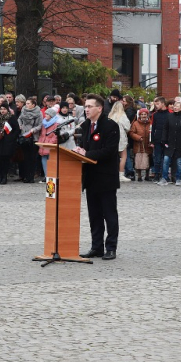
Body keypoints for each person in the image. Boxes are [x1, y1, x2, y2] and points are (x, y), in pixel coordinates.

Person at [74, 94, 120, 260]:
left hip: (106, 177)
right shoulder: (86, 125)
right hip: (90, 177)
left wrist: (87, 153)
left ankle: (111, 248)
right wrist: (79, 151)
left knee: (109, 214)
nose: (86, 109)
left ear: (99, 108)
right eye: (85, 106)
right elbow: (85, 146)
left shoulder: (111, 126)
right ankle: (96, 247)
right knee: (94, 215)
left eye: (89, 106)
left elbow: (109, 151)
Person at [159, 100, 181, 186]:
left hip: (180, 143)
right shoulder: (169, 116)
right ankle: (164, 178)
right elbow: (165, 128)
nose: (175, 107)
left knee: (179, 161)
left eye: (177, 106)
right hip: (170, 142)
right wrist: (164, 139)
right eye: (174, 106)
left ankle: (178, 178)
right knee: (166, 160)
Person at [0, 103, 20, 184]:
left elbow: (16, 130)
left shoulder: (11, 118)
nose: (3, 111)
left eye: (4, 109)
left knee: (5, 160)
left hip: (7, 142)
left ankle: (4, 177)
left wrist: (11, 138)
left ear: (7, 110)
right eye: (1, 109)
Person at [17, 97, 42, 183]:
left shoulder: (38, 113)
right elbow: (19, 119)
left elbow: (40, 125)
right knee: (25, 157)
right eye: (26, 103)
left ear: (33, 105)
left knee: (32, 158)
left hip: (33, 138)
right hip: (24, 136)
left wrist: (33, 130)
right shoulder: (23, 110)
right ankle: (26, 176)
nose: (26, 105)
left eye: (28, 103)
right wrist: (20, 125)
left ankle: (31, 177)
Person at [108, 101, 132, 183]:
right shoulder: (122, 116)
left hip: (111, 138)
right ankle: (120, 174)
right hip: (121, 138)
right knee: (123, 156)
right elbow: (128, 127)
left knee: (112, 157)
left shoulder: (110, 116)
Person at [129, 108, 152, 182]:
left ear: (147, 115)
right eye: (142, 114)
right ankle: (139, 176)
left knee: (148, 160)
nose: (143, 116)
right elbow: (131, 133)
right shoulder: (135, 123)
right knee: (138, 161)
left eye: (145, 114)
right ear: (139, 115)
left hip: (148, 145)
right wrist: (138, 137)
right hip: (138, 145)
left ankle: (147, 175)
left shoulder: (150, 123)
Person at [149, 97, 168, 182]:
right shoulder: (155, 115)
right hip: (157, 139)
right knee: (157, 158)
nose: (156, 106)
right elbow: (153, 128)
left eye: (158, 104)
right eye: (155, 104)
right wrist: (152, 140)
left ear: (163, 103)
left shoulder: (169, 114)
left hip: (166, 139)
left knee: (165, 158)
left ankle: (164, 174)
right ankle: (157, 174)